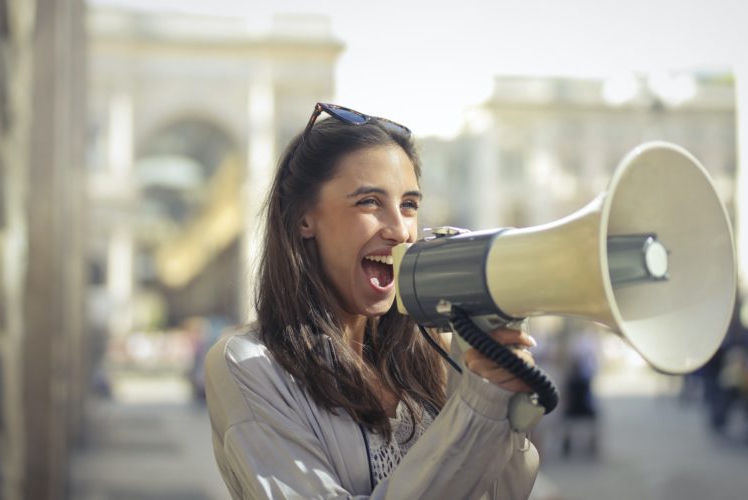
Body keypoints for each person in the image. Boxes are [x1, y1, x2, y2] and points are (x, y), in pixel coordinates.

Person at [203, 103, 539, 499]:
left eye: (409, 205)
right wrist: (476, 410)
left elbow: (503, 493)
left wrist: (502, 402)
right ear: (304, 219)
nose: (400, 230)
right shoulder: (248, 364)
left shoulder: (437, 353)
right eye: (369, 202)